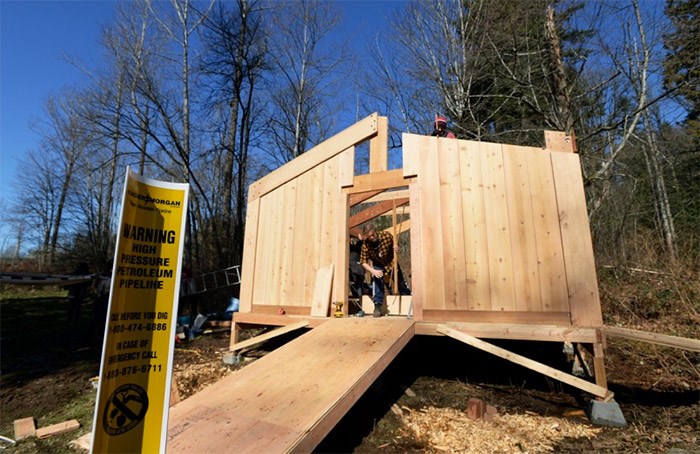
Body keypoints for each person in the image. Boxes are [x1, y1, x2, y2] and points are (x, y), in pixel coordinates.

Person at [359, 222, 411, 317]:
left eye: (373, 234)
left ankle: (409, 301)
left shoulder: (386, 235)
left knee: (400, 282)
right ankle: (377, 306)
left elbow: (396, 245)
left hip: (391, 262)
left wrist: (397, 248)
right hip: (378, 265)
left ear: (375, 231)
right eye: (369, 236)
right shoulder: (365, 245)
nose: (372, 237)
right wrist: (373, 271)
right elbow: (363, 262)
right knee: (378, 281)